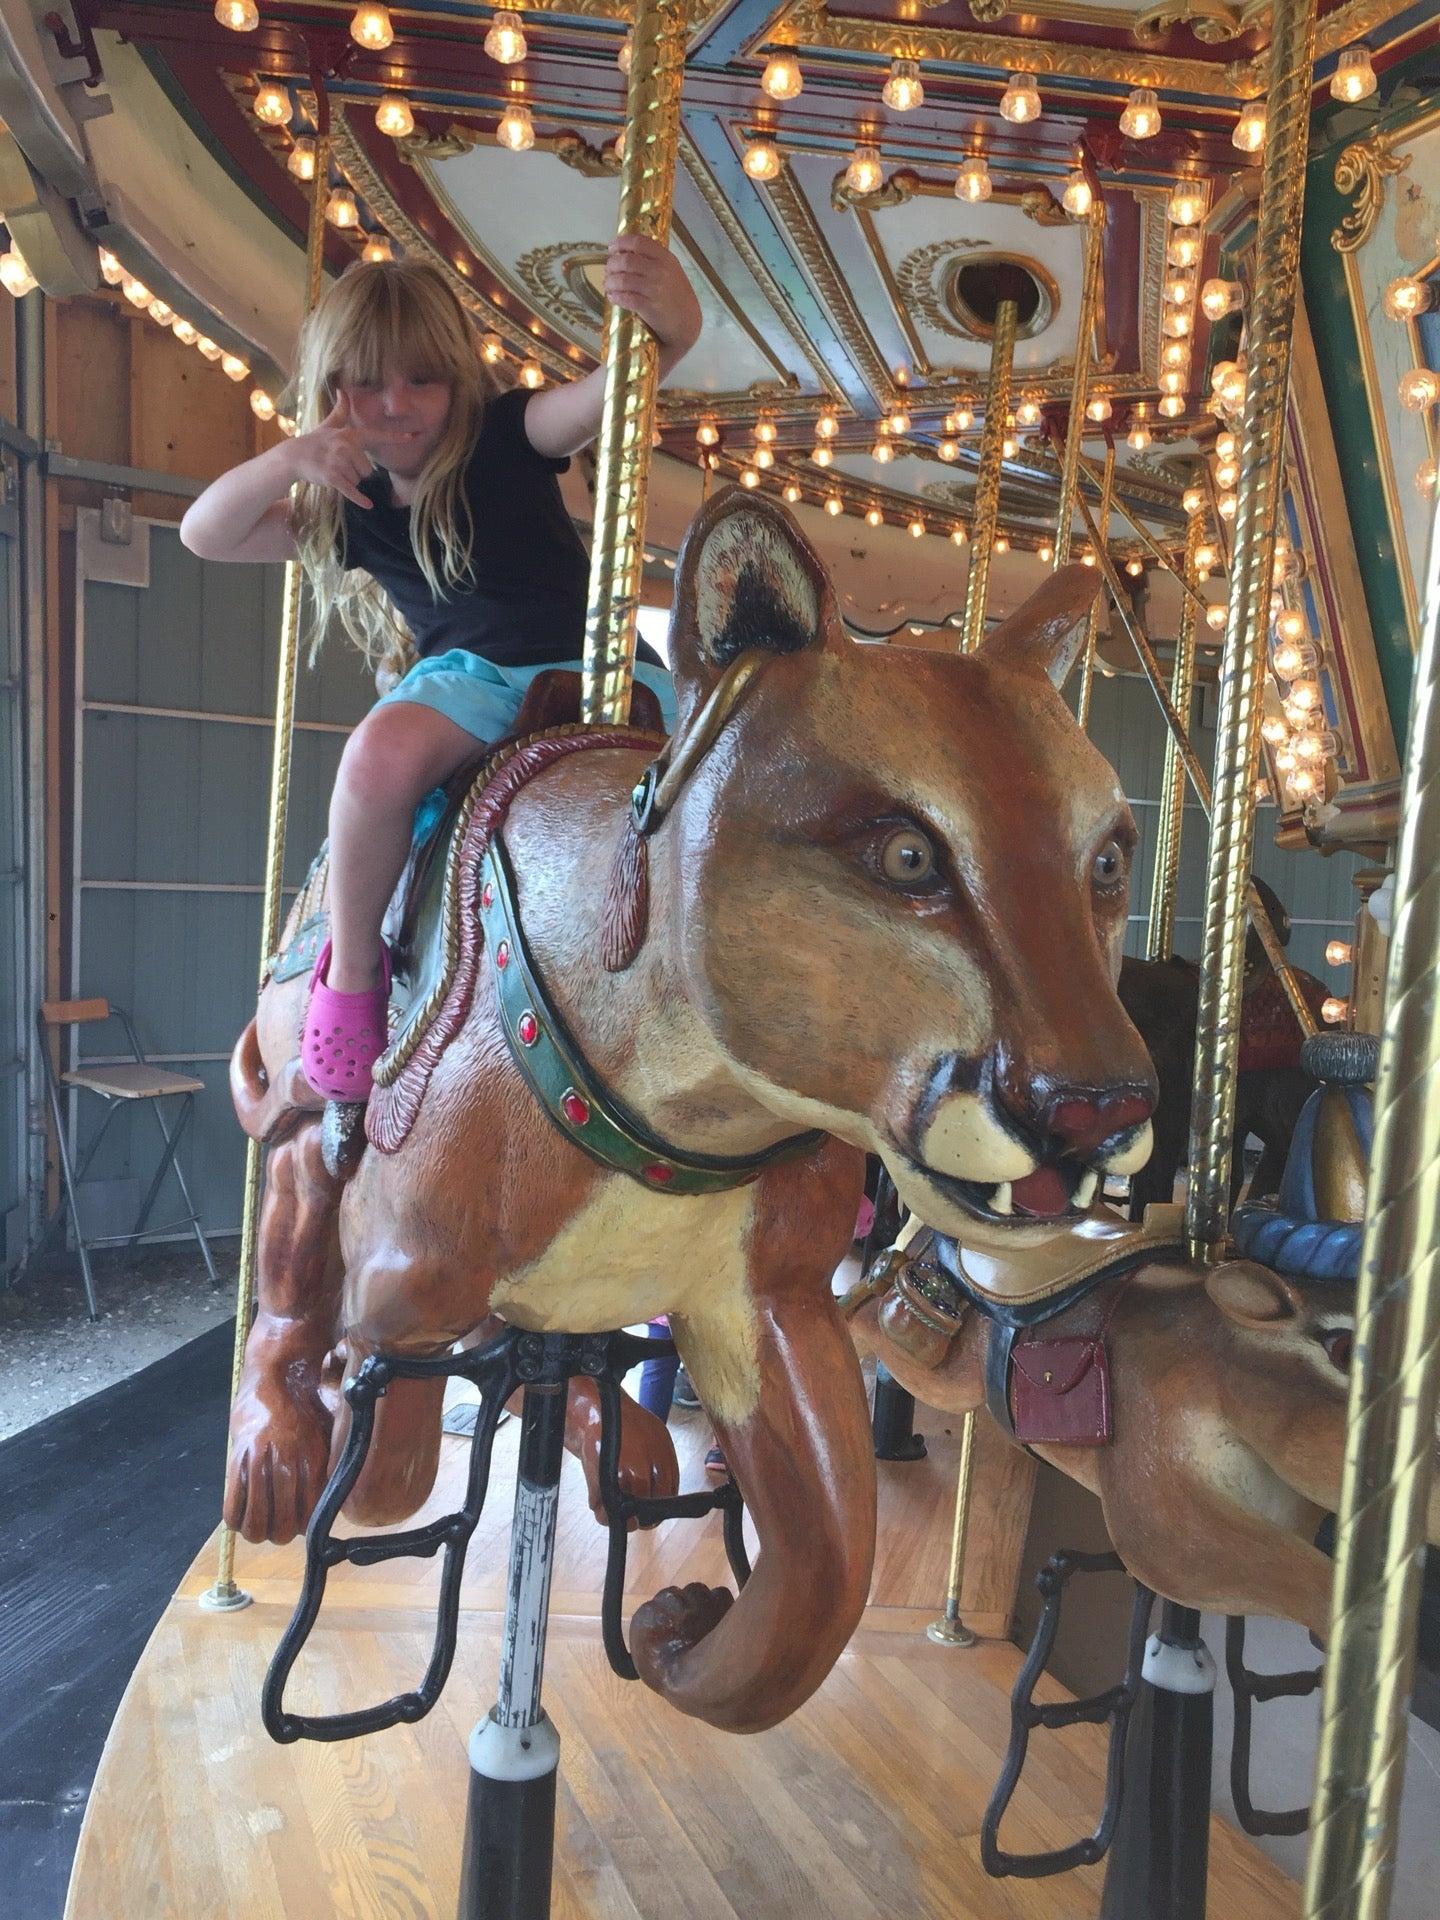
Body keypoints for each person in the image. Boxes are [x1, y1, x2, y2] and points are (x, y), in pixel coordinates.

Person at [180, 239, 698, 1099]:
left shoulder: (508, 435)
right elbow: (206, 533)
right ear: (331, 391)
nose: (398, 405)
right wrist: (286, 460)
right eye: (371, 383)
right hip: (471, 683)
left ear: (460, 378)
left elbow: (608, 398)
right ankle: (352, 975)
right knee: (376, 760)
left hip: (591, 664)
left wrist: (670, 337)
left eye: (424, 379)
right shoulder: (350, 506)